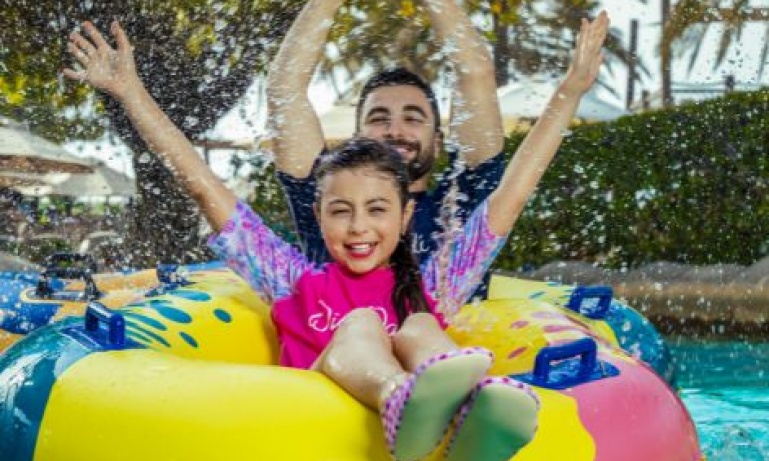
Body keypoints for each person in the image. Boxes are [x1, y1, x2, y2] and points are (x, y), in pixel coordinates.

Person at [64, 10, 608, 460]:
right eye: (341, 212)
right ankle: (399, 397)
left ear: (404, 219)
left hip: (414, 406)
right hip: (316, 417)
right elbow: (204, 186)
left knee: (420, 324)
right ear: (318, 218)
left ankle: (472, 411)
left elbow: (511, 196)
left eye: (377, 211)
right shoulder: (292, 278)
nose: (359, 227)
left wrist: (570, 92)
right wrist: (131, 93)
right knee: (362, 323)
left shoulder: (436, 282)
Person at [265, 0, 507, 285]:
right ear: (357, 139)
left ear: (437, 142)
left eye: (413, 118)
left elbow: (475, 74)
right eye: (379, 118)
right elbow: (284, 89)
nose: (395, 130)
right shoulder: (329, 197)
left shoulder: (459, 204)